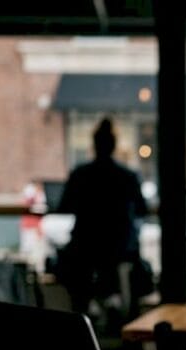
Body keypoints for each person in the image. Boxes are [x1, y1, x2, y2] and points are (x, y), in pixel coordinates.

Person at [56, 117, 148, 317]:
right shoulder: (128, 176)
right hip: (120, 248)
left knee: (67, 268)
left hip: (85, 247)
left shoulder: (80, 174)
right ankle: (119, 313)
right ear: (114, 145)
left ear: (94, 144)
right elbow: (142, 209)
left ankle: (83, 315)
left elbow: (64, 206)